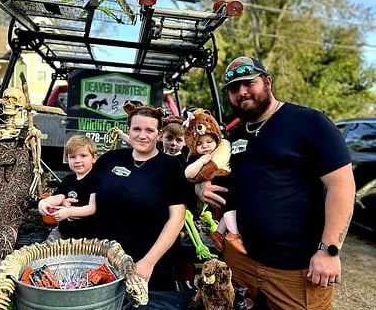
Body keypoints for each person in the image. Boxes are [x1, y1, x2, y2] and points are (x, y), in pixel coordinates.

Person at [197, 55, 355, 310]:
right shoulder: (235, 135)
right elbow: (227, 184)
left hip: (297, 270)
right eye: (234, 89)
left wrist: (329, 250)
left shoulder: (307, 122)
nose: (241, 93)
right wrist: (201, 189)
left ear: (267, 81)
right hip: (244, 262)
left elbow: (342, 185)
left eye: (248, 83)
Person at [93, 104, 187, 291]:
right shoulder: (109, 159)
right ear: (129, 130)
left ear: (159, 135)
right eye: (136, 129)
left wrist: (148, 262)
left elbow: (177, 219)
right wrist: (57, 201)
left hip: (149, 265)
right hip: (106, 261)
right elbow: (87, 195)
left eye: (149, 130)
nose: (142, 135)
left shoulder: (171, 168)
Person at [184, 120, 246, 254]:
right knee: (230, 206)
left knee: (231, 207)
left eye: (209, 142)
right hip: (219, 185)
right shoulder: (196, 157)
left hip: (230, 184)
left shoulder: (221, 148)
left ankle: (219, 232)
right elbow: (189, 174)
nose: (205, 146)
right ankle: (234, 234)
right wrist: (201, 164)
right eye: (199, 144)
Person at [38, 135, 99, 239]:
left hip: (88, 235)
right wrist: (44, 202)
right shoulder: (68, 179)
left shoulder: (96, 179)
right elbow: (59, 196)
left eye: (83, 156)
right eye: (72, 157)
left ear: (94, 158)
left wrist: (69, 212)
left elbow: (92, 208)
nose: (77, 160)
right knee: (46, 250)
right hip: (64, 231)